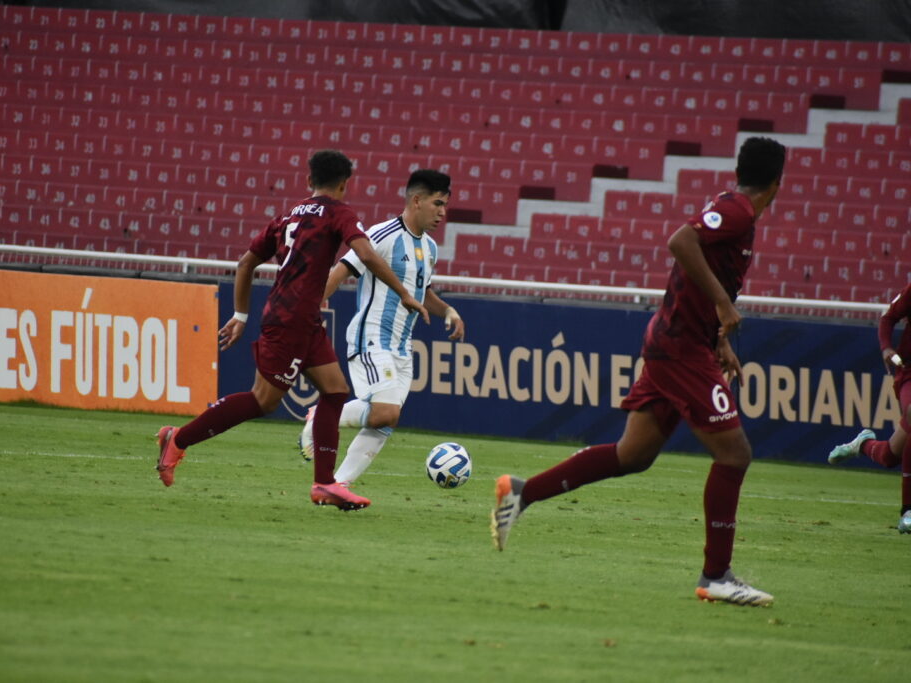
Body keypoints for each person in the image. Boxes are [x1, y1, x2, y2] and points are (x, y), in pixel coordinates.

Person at [490, 137, 787, 607]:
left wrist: (720, 337)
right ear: (777, 182)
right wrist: (724, 304)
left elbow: (698, 272)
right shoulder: (739, 212)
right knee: (734, 454)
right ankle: (717, 576)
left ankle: (524, 492)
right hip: (680, 349)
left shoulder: (731, 210)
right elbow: (680, 241)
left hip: (681, 341)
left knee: (633, 455)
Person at [154, 150, 428, 511]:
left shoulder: (289, 215)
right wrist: (404, 292)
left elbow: (246, 262)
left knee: (334, 392)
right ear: (345, 184)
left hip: (298, 316)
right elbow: (366, 252)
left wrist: (240, 313)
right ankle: (178, 438)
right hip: (292, 320)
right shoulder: (340, 213)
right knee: (262, 401)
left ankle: (325, 484)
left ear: (308, 180)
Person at [297, 170, 465, 486]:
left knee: (384, 422)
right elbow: (342, 270)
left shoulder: (429, 247)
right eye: (437, 204)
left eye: (445, 206)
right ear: (417, 200)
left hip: (402, 349)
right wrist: (314, 304)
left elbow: (422, 292)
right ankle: (320, 417)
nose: (442, 213)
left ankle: (337, 486)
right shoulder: (382, 234)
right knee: (385, 412)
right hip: (373, 337)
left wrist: (448, 312)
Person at [828, 281, 911, 533]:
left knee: (890, 455)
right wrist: (886, 347)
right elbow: (888, 317)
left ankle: (863, 444)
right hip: (909, 372)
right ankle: (907, 512)